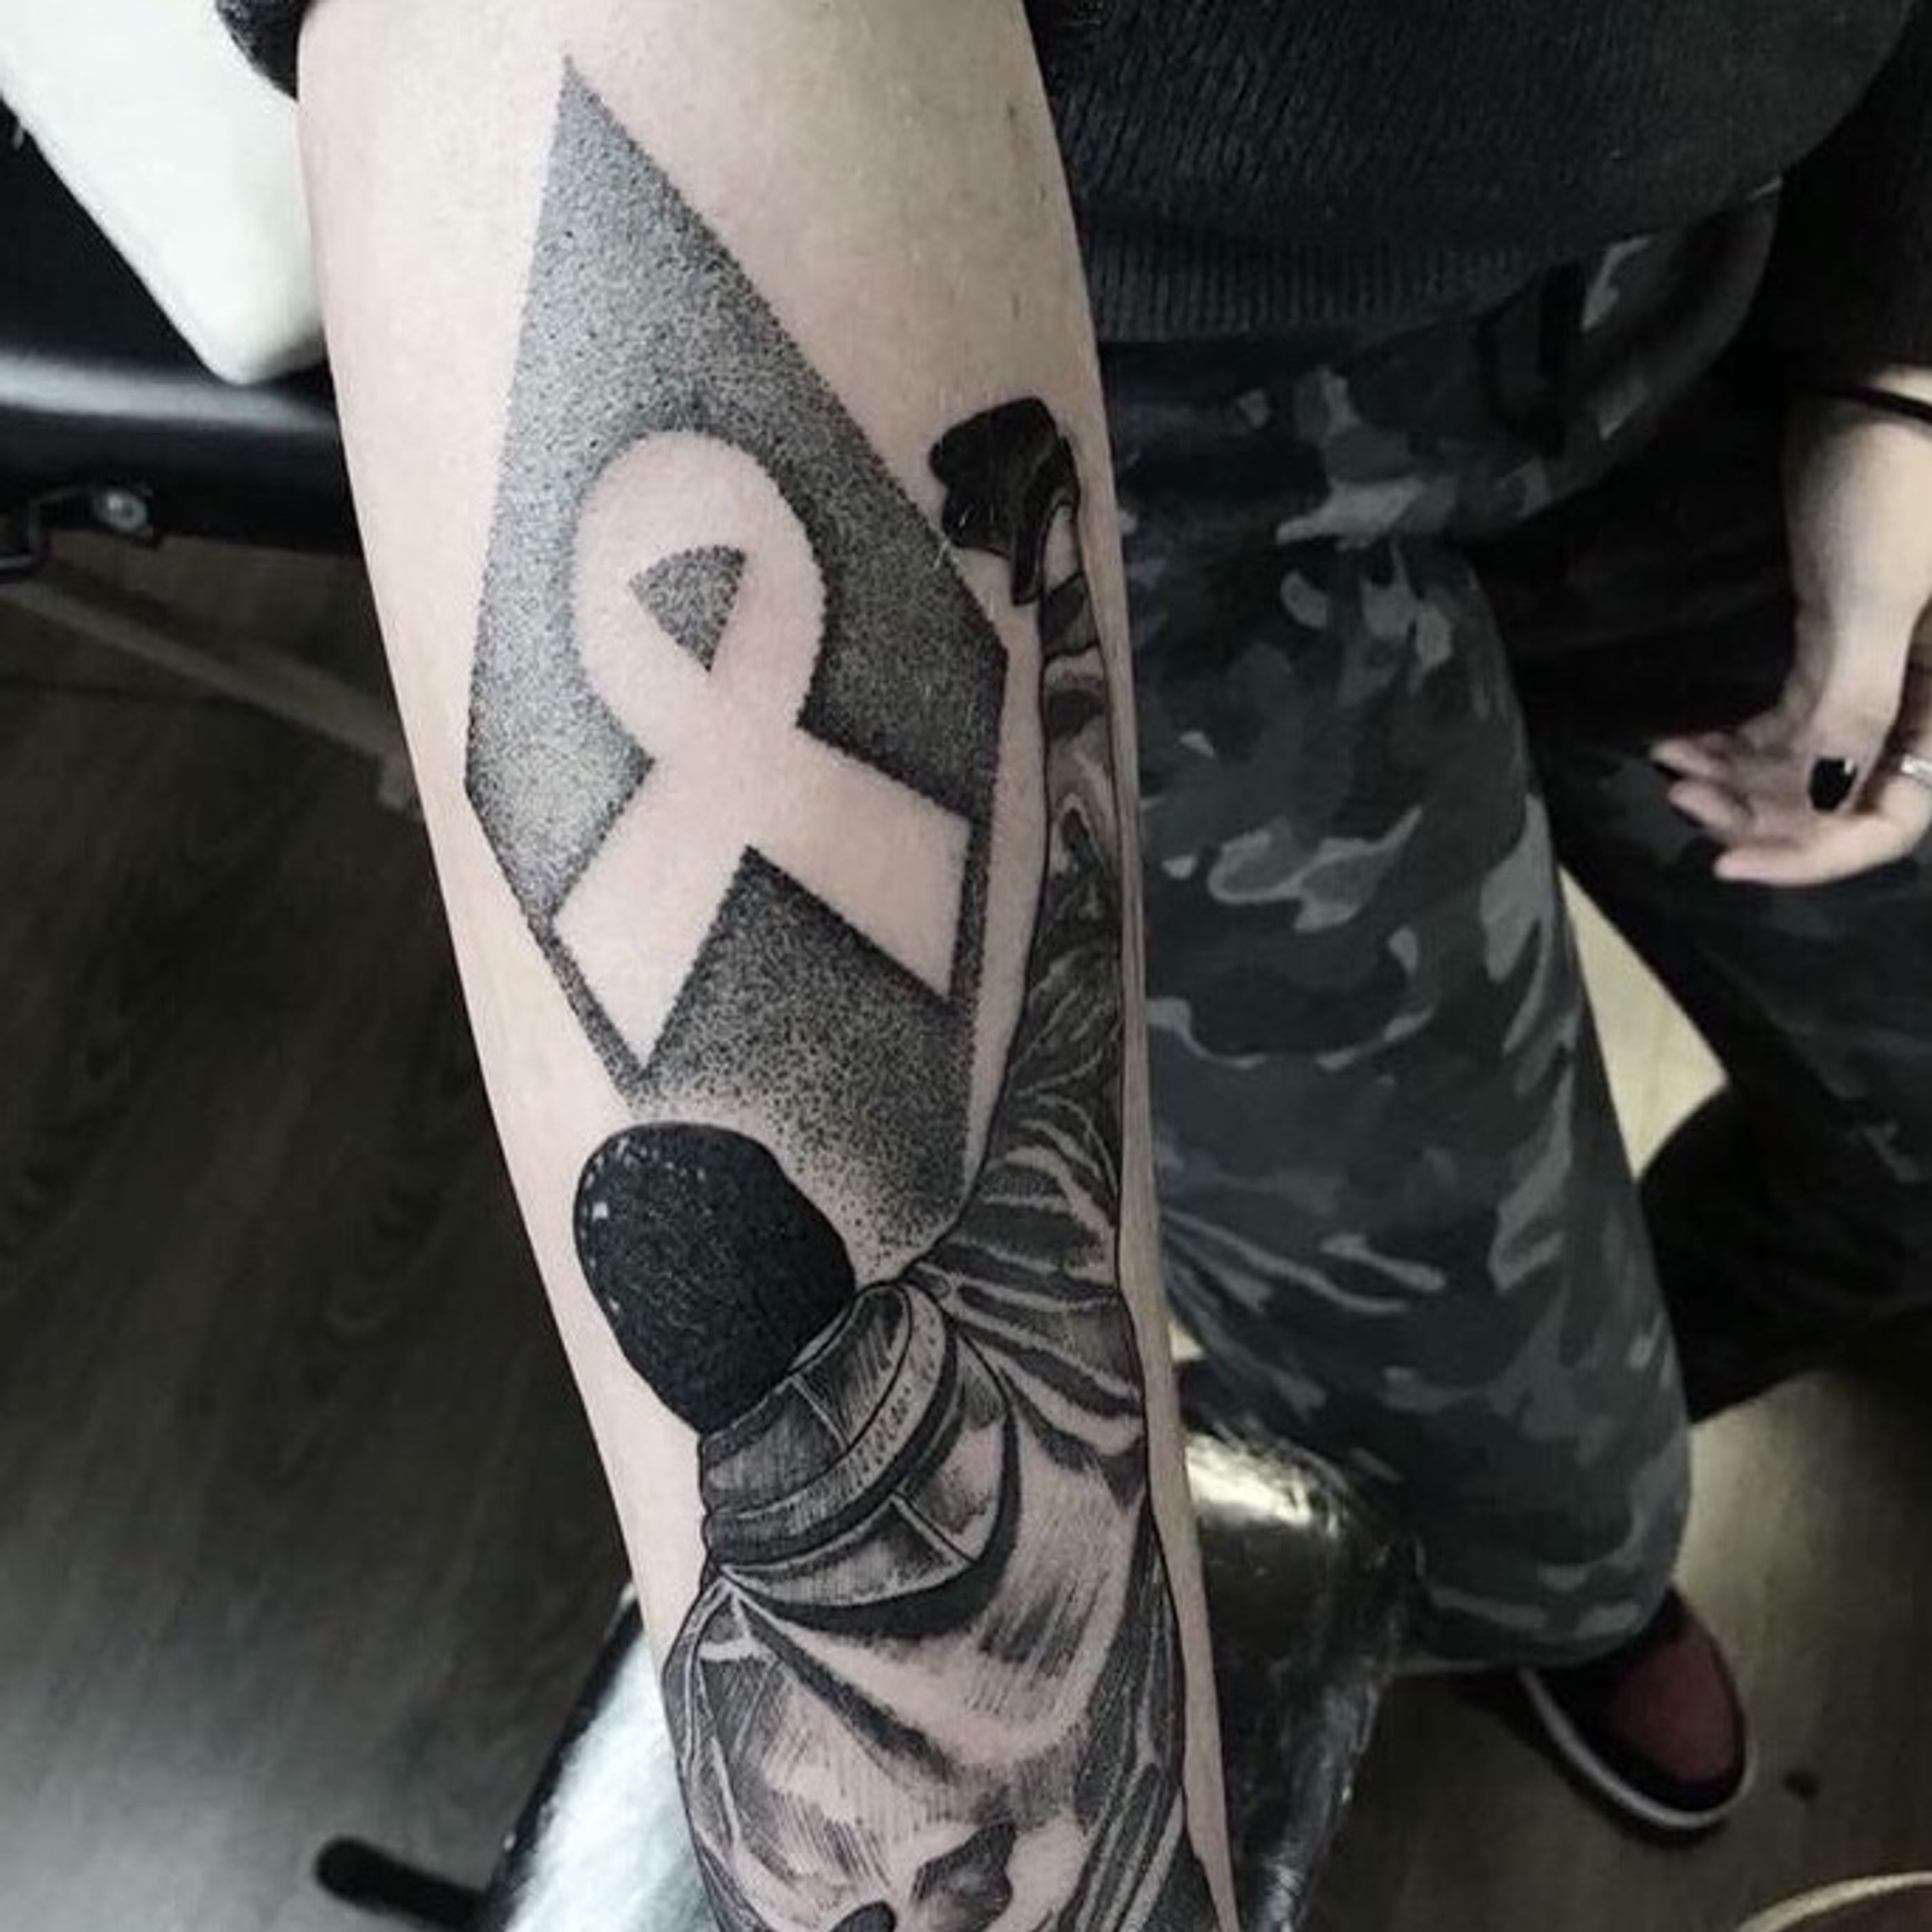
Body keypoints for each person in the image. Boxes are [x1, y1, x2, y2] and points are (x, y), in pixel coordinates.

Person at [218, 0, 1932, 1898]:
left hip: (1731, 286)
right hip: (1096, 410)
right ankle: (1556, 1579)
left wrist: (1899, 334)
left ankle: (1572, 1452)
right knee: (1553, 1515)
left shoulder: (944, 1355)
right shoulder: (924, 1443)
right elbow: (578, 54)